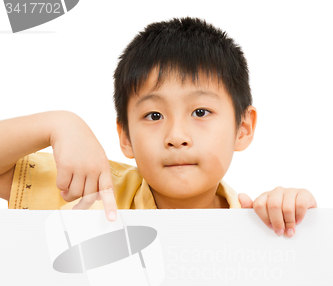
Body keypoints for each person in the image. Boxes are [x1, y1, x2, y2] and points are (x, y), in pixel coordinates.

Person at [0, 17, 316, 237]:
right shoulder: (94, 194)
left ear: (243, 127)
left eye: (201, 111)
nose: (176, 137)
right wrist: (60, 123)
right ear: (125, 136)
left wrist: (300, 218)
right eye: (154, 116)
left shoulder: (261, 224)